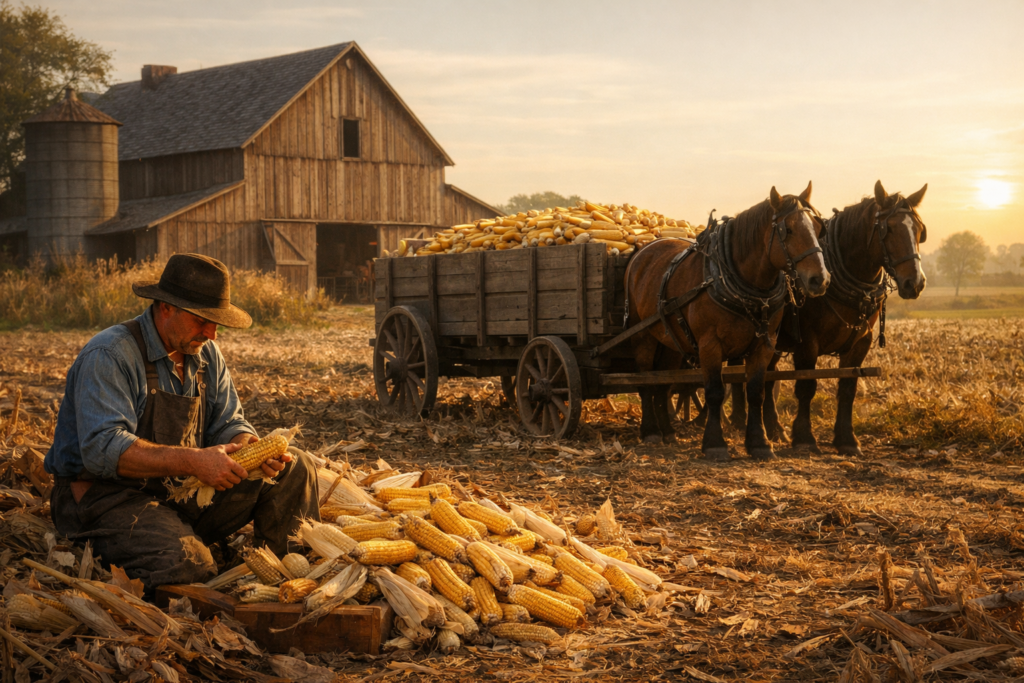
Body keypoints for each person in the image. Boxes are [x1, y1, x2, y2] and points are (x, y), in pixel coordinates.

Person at [44, 254, 319, 590]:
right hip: (107, 500)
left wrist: (247, 446)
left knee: (297, 467)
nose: (212, 334)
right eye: (201, 320)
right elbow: (102, 449)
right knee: (189, 564)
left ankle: (282, 582)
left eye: (216, 323)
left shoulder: (204, 353)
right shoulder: (111, 355)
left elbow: (229, 421)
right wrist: (194, 461)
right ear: (166, 308)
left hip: (180, 490)